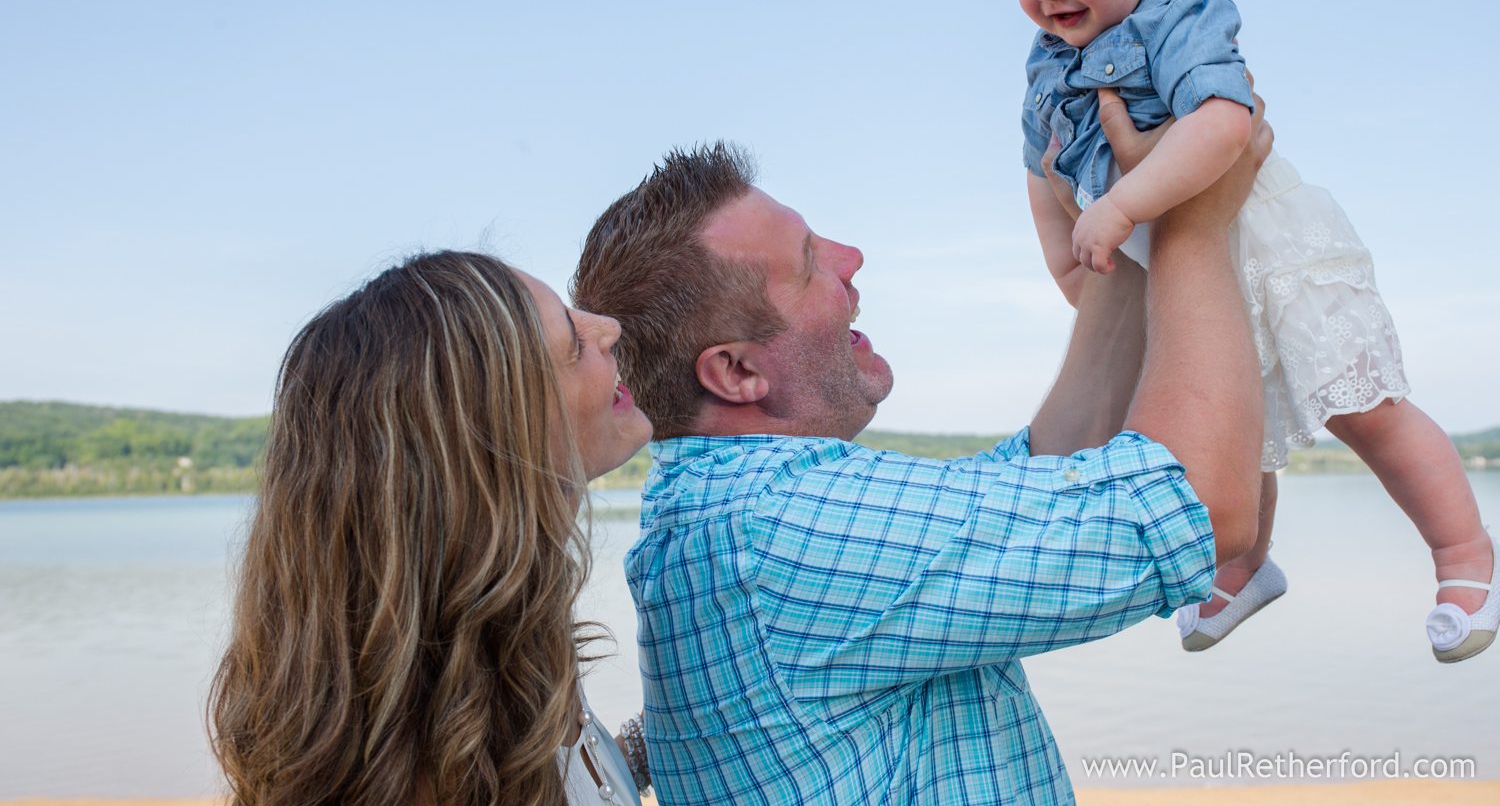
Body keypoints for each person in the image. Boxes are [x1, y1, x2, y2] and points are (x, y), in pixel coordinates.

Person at [571, 126, 1267, 804]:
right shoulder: (781, 522)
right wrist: (1195, 227)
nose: (852, 257)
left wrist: (1128, 223)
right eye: (811, 262)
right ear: (737, 371)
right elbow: (1201, 509)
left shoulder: (722, 502)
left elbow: (1043, 474)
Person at [994, 0, 1495, 662]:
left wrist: (1118, 208)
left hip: (1262, 244)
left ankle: (1464, 554)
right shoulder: (1048, 60)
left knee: (1362, 406)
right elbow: (1042, 167)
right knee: (1227, 424)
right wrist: (1064, 252)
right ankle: (1244, 566)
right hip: (1166, 263)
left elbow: (1227, 123)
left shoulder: (1178, 11)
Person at [209, 251, 655, 806]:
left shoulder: (499, 639)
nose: (609, 328)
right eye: (573, 343)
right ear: (497, 436)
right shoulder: (418, 768)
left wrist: (652, 741)